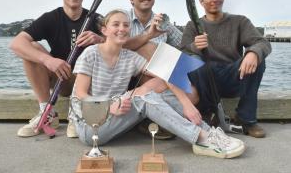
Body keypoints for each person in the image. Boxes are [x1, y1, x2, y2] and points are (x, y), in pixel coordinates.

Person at [70, 9, 245, 159]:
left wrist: (186, 105)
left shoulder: (128, 57)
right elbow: (81, 95)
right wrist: (109, 107)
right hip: (90, 125)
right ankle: (201, 139)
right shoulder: (90, 53)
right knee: (144, 98)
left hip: (116, 112)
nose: (122, 29)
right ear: (104, 30)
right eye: (116, 25)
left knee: (165, 91)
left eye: (125, 25)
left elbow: (165, 75)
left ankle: (209, 133)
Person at [9, 0, 104, 138]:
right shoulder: (51, 18)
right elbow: (16, 44)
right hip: (62, 77)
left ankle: (78, 113)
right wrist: (48, 60)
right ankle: (47, 112)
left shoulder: (96, 18)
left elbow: (121, 45)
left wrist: (101, 39)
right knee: (31, 46)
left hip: (88, 81)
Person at [181, 0, 272, 138]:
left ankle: (246, 119)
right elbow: (181, 52)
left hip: (234, 75)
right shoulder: (192, 25)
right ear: (201, 1)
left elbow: (262, 42)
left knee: (259, 59)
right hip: (206, 80)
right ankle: (208, 114)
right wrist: (195, 47)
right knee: (194, 63)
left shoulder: (240, 21)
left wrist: (253, 53)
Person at [124, 0, 183, 139]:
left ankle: (156, 119)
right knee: (149, 48)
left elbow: (185, 45)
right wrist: (148, 36)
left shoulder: (162, 22)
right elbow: (115, 47)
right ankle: (157, 119)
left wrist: (199, 42)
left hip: (158, 78)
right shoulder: (123, 20)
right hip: (129, 79)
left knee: (191, 89)